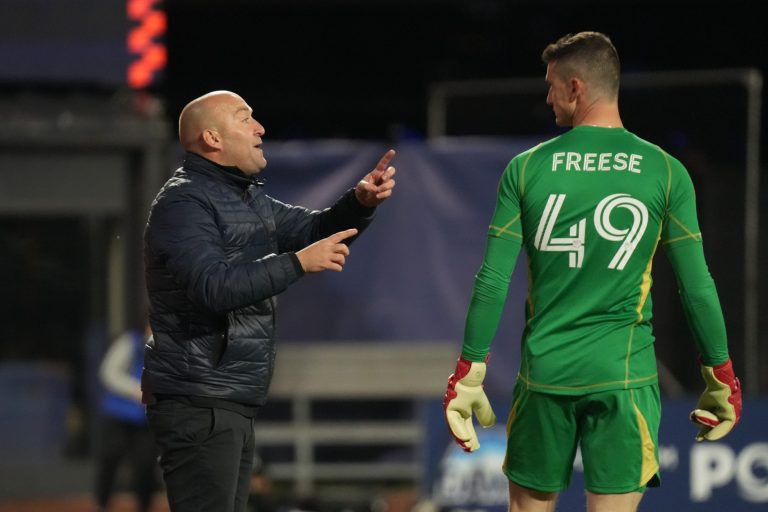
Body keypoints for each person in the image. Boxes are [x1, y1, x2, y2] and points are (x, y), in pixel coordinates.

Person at [442, 32, 742, 512]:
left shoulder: (525, 169)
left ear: (575, 87)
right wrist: (720, 373)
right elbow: (697, 287)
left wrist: (468, 371)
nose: (547, 97)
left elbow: (492, 280)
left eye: (552, 86)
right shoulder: (665, 171)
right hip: (624, 377)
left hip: (545, 375)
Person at [142, 90, 397, 512]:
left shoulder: (244, 197)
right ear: (212, 138)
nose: (260, 129)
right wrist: (296, 263)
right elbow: (214, 287)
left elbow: (315, 230)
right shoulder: (183, 202)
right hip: (200, 398)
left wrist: (359, 202)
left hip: (227, 398)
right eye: (245, 119)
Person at [95, 321, 159, 512]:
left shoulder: (172, 347)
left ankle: (144, 506)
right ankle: (102, 504)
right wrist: (134, 390)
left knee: (145, 466)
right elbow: (108, 372)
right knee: (109, 460)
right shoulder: (129, 342)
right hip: (119, 415)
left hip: (146, 419)